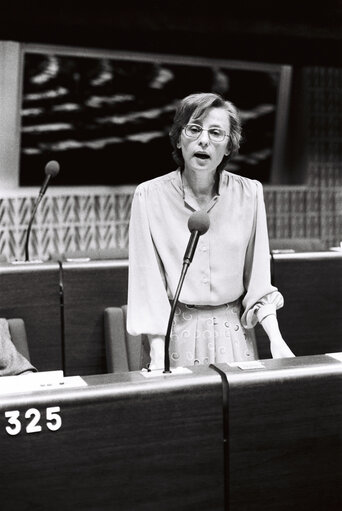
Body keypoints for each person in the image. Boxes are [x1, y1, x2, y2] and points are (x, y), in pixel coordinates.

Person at [127, 92, 295, 370]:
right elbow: (147, 284)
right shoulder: (149, 196)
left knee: (241, 411)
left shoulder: (249, 193)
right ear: (179, 138)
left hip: (235, 332)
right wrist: (158, 354)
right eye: (194, 129)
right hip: (176, 333)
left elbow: (259, 280)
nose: (204, 140)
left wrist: (276, 339)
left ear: (229, 146)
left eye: (216, 133)